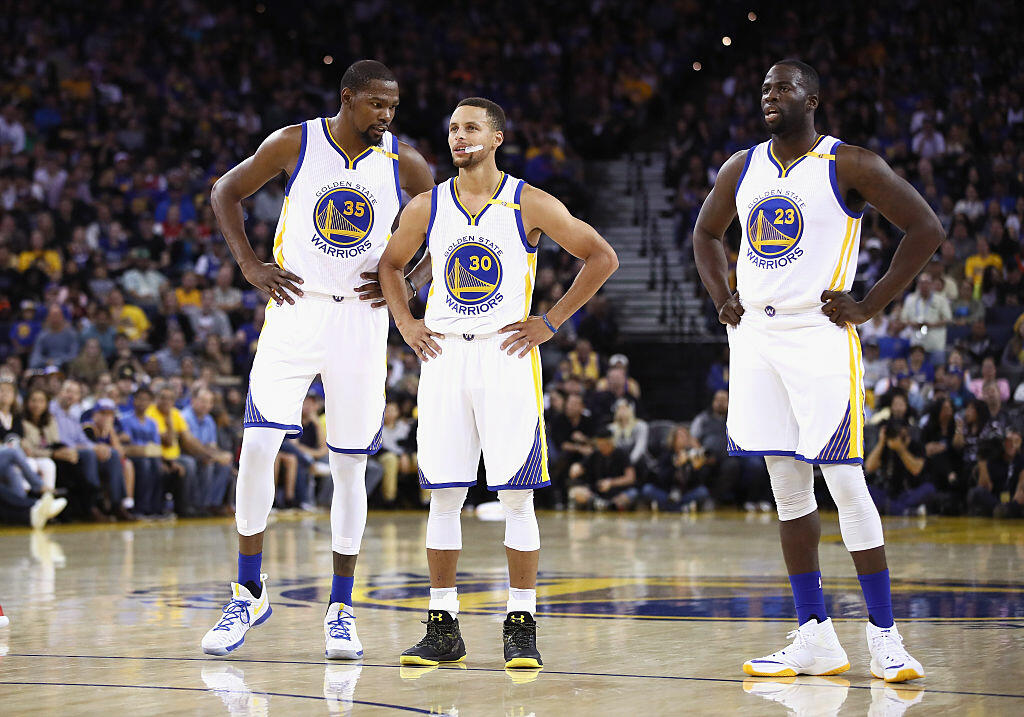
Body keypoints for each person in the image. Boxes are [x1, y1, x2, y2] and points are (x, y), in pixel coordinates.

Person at [693, 60, 941, 682]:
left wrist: (871, 304)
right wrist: (722, 293)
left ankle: (885, 636)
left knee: (845, 483)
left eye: (783, 88)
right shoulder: (741, 166)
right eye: (764, 89)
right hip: (755, 338)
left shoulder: (848, 164)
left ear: (814, 99)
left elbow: (925, 227)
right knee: (787, 489)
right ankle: (815, 636)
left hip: (820, 335)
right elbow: (705, 233)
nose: (770, 96)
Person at [200, 60, 436, 660]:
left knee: (351, 465)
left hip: (361, 321)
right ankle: (248, 591)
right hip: (295, 308)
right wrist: (251, 267)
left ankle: (340, 607)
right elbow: (225, 191)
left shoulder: (405, 163)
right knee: (257, 447)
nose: (386, 116)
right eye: (376, 104)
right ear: (348, 97)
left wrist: (407, 282)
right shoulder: (294, 141)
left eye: (393, 106)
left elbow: (450, 227)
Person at [378, 96, 617, 669]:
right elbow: (390, 266)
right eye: (453, 129)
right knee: (444, 497)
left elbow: (600, 256)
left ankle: (521, 621)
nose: (459, 138)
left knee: (517, 500)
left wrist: (550, 320)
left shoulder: (527, 201)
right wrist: (406, 322)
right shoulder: (426, 206)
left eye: (471, 129)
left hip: (506, 355)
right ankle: (442, 625)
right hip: (442, 360)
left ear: (497, 138)